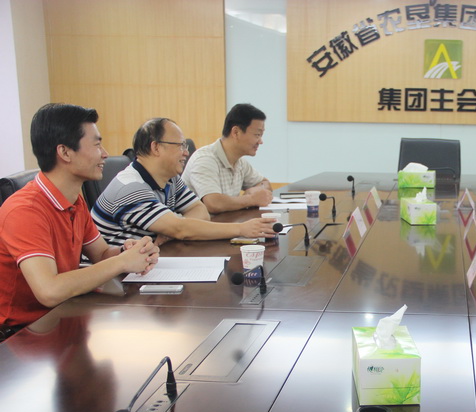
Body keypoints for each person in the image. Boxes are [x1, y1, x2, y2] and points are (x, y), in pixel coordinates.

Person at [0, 103, 159, 334]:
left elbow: (101, 255)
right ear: (65, 152)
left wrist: (130, 252)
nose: (105, 153)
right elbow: (49, 291)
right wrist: (122, 262)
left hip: (62, 315)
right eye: (96, 144)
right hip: (21, 334)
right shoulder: (25, 210)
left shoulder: (74, 199)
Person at [91, 117, 277, 246]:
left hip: (146, 262)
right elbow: (181, 229)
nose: (186, 152)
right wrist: (241, 229)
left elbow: (200, 211)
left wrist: (171, 230)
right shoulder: (131, 187)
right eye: (180, 146)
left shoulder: (171, 178)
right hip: (115, 280)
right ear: (156, 147)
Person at [182, 103, 273, 214]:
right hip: (205, 224)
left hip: (227, 222)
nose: (260, 141)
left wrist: (258, 190)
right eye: (257, 135)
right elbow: (213, 203)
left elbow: (265, 183)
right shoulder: (205, 160)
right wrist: (250, 199)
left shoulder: (240, 162)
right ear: (236, 132)